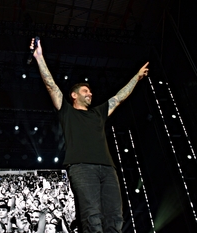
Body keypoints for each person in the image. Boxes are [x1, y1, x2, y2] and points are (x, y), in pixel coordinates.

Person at [30, 38, 149, 233]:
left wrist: (136, 77)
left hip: (108, 169)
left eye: (91, 91)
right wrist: (39, 57)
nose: (90, 94)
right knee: (92, 217)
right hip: (82, 168)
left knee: (115, 217)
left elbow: (119, 98)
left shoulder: (98, 112)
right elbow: (51, 86)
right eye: (86, 91)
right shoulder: (67, 111)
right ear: (74, 95)